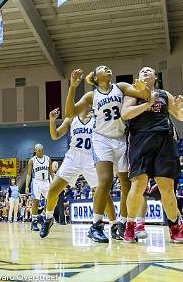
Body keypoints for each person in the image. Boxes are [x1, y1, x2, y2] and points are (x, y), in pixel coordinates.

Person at [64, 67, 150, 243]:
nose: (107, 69)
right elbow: (69, 113)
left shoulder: (122, 87)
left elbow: (145, 95)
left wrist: (143, 88)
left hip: (122, 138)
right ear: (95, 78)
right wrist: (73, 87)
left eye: (108, 68)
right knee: (105, 180)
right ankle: (95, 225)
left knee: (127, 183)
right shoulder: (91, 96)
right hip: (101, 139)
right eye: (102, 69)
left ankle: (123, 223)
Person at [121, 66, 183, 243]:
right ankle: (130, 224)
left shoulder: (164, 94)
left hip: (164, 139)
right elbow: (125, 113)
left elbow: (181, 116)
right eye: (141, 71)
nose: (144, 72)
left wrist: (180, 109)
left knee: (166, 187)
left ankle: (174, 227)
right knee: (138, 184)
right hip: (140, 139)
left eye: (148, 70)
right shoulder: (133, 92)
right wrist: (147, 104)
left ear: (155, 77)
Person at [40, 106, 119, 239]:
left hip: (91, 158)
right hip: (73, 158)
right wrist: (52, 120)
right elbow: (55, 135)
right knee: (53, 190)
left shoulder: (97, 118)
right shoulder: (71, 118)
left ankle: (114, 225)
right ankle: (48, 219)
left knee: (104, 194)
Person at [25, 144, 54, 231]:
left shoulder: (48, 159)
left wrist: (54, 181)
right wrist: (26, 186)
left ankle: (42, 216)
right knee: (36, 202)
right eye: (37, 148)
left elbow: (51, 172)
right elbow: (29, 174)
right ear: (35, 151)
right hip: (36, 181)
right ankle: (34, 222)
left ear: (43, 149)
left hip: (46, 181)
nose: (39, 149)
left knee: (51, 200)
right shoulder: (32, 160)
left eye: (41, 148)